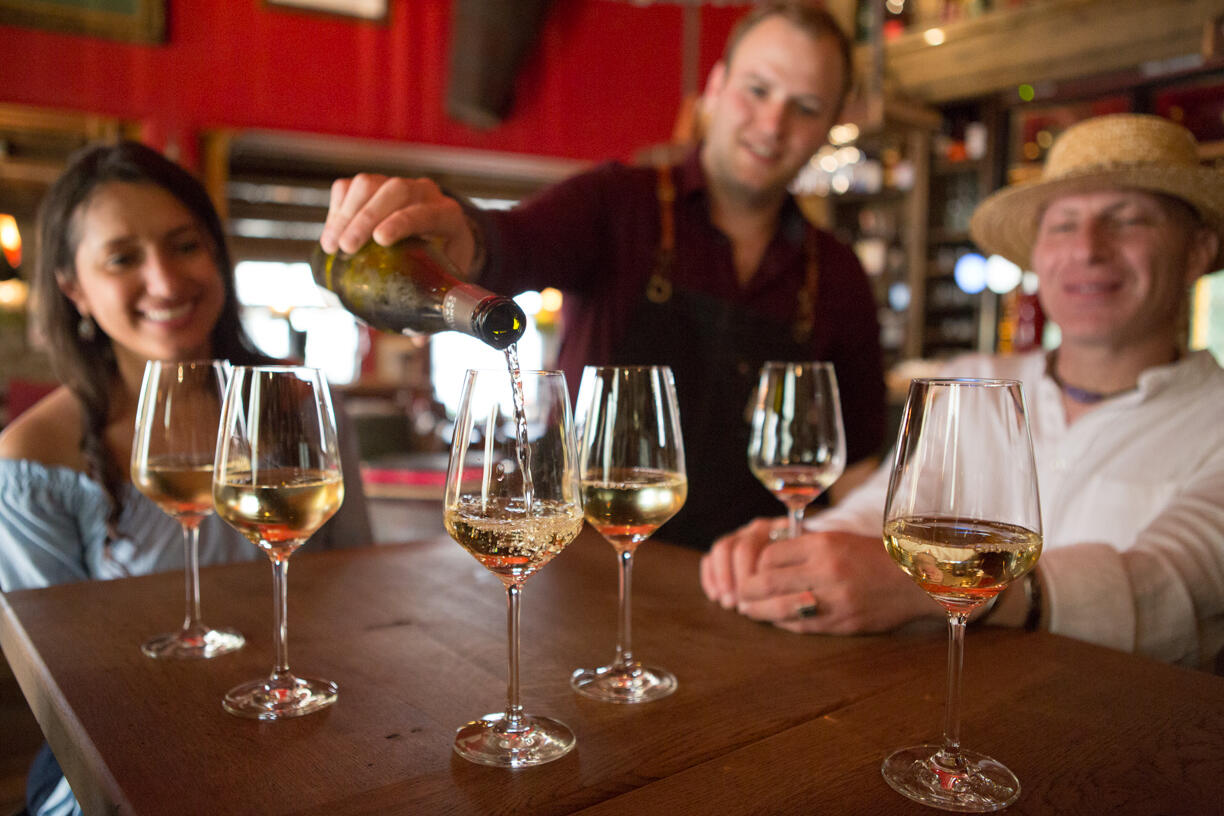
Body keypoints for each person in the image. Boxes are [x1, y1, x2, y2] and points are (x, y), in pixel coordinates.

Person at [317, 1, 887, 550]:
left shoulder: (838, 276)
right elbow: (507, 243)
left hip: (747, 587)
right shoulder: (617, 203)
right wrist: (450, 234)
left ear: (831, 125)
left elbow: (855, 473)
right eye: (757, 89)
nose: (773, 123)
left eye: (806, 106)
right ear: (715, 87)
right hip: (578, 574)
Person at [698, 113, 1224, 673]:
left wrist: (929, 590)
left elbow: (1172, 588)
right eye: (1064, 224)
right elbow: (880, 516)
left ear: (1197, 250)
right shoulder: (971, 380)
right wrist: (793, 547)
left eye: (1128, 220)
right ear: (1038, 255)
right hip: (935, 703)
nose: (1088, 249)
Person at [0, 141, 372, 816]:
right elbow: (60, 686)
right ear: (73, 287)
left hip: (306, 731)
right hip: (129, 767)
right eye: (123, 258)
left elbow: (358, 585)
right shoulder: (32, 457)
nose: (167, 282)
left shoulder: (300, 404)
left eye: (185, 246)